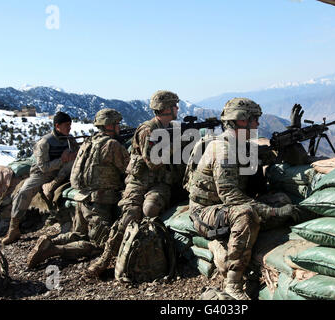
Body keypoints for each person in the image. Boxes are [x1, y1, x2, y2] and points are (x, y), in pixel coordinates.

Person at [183, 98, 315, 300]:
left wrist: (292, 135)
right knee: (247, 214)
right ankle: (233, 283)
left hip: (225, 209)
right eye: (254, 119)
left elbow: (281, 159)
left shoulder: (241, 146)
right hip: (205, 213)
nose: (258, 124)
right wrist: (274, 212)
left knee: (281, 199)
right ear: (241, 121)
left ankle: (234, 240)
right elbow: (231, 197)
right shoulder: (223, 150)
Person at [87, 90, 182, 277]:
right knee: (129, 215)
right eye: (174, 106)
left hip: (160, 183)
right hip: (139, 181)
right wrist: (175, 144)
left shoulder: (173, 128)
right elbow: (153, 162)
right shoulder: (148, 130)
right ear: (166, 109)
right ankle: (106, 258)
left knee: (150, 209)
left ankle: (147, 257)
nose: (177, 108)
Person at [26, 108, 130, 268]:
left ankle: (50, 241)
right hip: (99, 201)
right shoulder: (112, 145)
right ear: (109, 126)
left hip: (81, 198)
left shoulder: (89, 142)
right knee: (99, 245)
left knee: (80, 233)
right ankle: (53, 250)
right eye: (117, 124)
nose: (119, 127)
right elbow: (127, 169)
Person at [2, 112, 78, 245]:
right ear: (57, 125)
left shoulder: (69, 139)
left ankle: (54, 186)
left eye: (70, 125)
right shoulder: (44, 142)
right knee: (24, 192)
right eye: (66, 125)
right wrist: (61, 160)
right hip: (43, 173)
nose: (69, 128)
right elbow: (43, 167)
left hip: (62, 172)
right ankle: (13, 229)